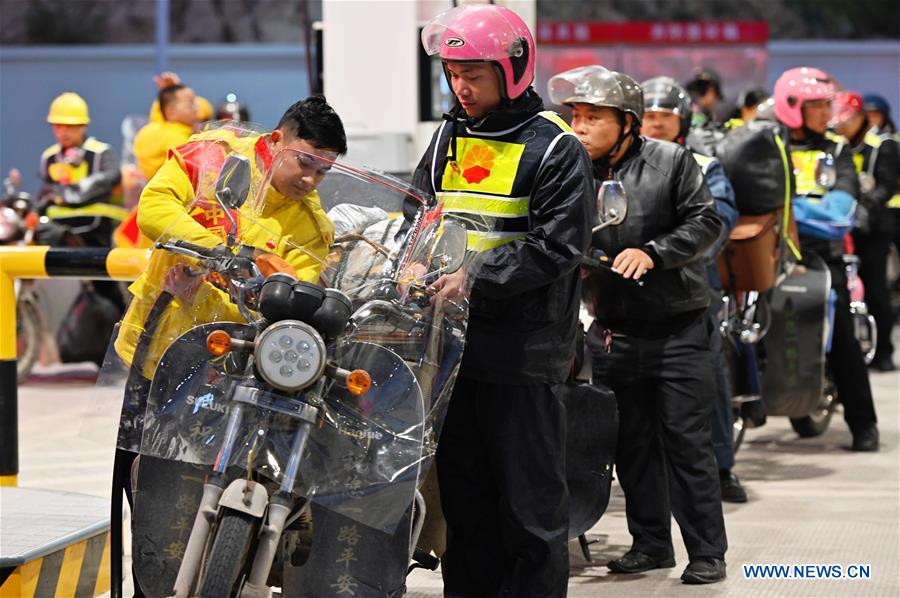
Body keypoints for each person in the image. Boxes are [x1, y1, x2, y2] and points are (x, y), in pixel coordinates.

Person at [111, 95, 347, 596]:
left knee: (203, 487)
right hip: (156, 349)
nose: (311, 180)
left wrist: (223, 286)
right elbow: (154, 209)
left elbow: (292, 302)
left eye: (323, 171)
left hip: (229, 369)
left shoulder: (311, 228)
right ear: (277, 141)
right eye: (305, 162)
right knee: (145, 488)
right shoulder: (214, 155)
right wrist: (223, 253)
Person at [415, 5, 593, 596]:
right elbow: (419, 210)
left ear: (513, 70)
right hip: (452, 349)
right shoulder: (448, 135)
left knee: (529, 511)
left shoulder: (555, 145)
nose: (460, 87)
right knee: (465, 507)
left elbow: (558, 246)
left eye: (473, 75)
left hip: (524, 352)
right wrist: (408, 254)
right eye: (452, 74)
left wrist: (474, 275)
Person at [549, 65, 727, 584]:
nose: (580, 127)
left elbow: (707, 222)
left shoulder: (671, 161)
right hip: (613, 332)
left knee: (686, 442)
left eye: (594, 117)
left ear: (627, 121)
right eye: (576, 116)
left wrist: (654, 252)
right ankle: (651, 544)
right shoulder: (570, 170)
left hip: (679, 329)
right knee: (631, 444)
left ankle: (707, 552)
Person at [640, 76, 746, 503]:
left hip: (691, 283)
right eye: (648, 115)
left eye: (664, 116)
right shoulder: (615, 166)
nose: (655, 123)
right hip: (623, 286)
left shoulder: (703, 165)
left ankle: (722, 467)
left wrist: (672, 252)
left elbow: (718, 221)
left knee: (710, 373)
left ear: (682, 119)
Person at [773, 67, 879, 451]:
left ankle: (863, 424)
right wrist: (805, 210)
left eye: (825, 105)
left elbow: (839, 216)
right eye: (815, 105)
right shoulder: (770, 145)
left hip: (823, 259)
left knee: (843, 339)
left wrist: (783, 210)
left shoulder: (837, 149)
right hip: (770, 256)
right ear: (792, 106)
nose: (825, 113)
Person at [40, 91, 126, 310]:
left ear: (83, 126)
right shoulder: (49, 156)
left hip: (96, 229)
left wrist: (67, 194)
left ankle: (118, 315)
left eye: (70, 126)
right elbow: (45, 193)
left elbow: (109, 179)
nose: (63, 132)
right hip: (57, 230)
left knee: (105, 282)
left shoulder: (100, 152)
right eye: (58, 126)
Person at [833, 91, 899, 371]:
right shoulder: (836, 145)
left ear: (860, 118)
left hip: (874, 229)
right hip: (841, 228)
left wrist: (865, 206)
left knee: (876, 289)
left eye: (846, 121)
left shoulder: (882, 145)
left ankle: (883, 351)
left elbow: (887, 185)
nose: (842, 126)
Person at [133, 83, 199, 180]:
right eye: (190, 104)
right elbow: (193, 173)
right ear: (171, 111)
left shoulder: (153, 127)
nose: (197, 109)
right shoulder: (176, 138)